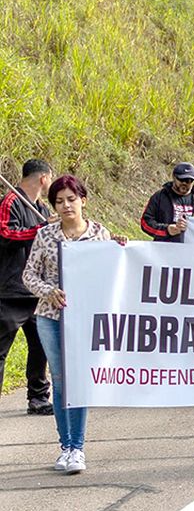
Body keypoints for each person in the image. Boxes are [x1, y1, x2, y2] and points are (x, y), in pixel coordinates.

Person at [25, 175, 124, 474]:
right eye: (59, 201)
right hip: (50, 317)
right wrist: (48, 292)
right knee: (61, 379)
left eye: (71, 199)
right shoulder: (45, 235)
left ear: (83, 200)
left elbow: (116, 274)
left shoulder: (100, 234)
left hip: (86, 318)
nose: (66, 205)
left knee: (78, 380)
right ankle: (64, 446)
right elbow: (29, 276)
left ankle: (77, 448)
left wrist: (122, 250)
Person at [1, 159, 54, 415]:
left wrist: (50, 228)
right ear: (44, 178)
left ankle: (38, 398)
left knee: (41, 345)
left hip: (37, 292)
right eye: (50, 179)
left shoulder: (42, 209)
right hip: (10, 291)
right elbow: (5, 234)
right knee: (1, 351)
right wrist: (39, 230)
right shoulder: (11, 202)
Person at [140, 162, 194, 242]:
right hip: (164, 248)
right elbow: (145, 223)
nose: (184, 183)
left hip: (192, 250)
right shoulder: (160, 197)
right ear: (174, 177)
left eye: (188, 181)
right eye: (181, 179)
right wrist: (166, 230)